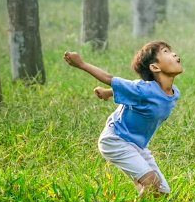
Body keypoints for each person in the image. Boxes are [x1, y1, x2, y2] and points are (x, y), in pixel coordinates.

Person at [63, 41, 183, 194]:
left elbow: (132, 92)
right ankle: (141, 185)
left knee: (161, 191)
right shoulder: (143, 89)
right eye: (166, 52)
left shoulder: (174, 92)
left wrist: (107, 92)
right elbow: (109, 78)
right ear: (155, 67)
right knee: (152, 184)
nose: (174, 54)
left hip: (138, 145)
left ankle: (140, 186)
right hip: (116, 140)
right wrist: (81, 64)